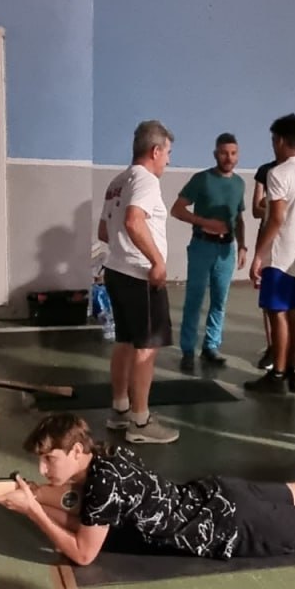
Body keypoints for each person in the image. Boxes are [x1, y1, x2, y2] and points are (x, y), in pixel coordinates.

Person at [0, 412, 295, 568]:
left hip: (231, 525)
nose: (43, 468)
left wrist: (32, 509)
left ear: (76, 451)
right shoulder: (107, 457)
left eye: (49, 459)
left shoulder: (100, 489)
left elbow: (82, 552)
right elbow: (80, 508)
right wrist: (36, 493)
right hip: (219, 494)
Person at [98, 120, 179, 445]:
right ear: (155, 150)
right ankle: (141, 422)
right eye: (168, 153)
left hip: (116, 272)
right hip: (140, 276)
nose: (168, 160)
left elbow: (104, 232)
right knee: (146, 349)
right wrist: (157, 261)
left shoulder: (118, 181)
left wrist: (124, 249)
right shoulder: (146, 180)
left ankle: (120, 410)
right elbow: (134, 221)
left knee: (125, 342)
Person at [246, 114, 295, 394]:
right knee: (293, 312)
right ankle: (289, 368)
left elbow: (276, 218)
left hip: (278, 255)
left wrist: (258, 255)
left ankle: (277, 374)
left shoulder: (278, 174)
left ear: (279, 140)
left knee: (277, 314)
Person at [171, 133, 247, 371]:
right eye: (224, 153)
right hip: (201, 246)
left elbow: (239, 218)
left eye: (233, 153)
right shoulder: (201, 179)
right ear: (216, 154)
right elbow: (177, 209)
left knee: (219, 300)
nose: (229, 158)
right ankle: (187, 350)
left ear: (238, 155)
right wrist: (204, 222)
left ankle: (210, 347)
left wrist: (242, 246)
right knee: (194, 300)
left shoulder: (239, 183)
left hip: (227, 249)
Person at [251, 155, 279, 371]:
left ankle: (286, 350)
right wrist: (273, 210)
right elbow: (256, 208)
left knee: (285, 300)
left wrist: (269, 206)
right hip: (266, 239)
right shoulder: (265, 170)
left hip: (288, 242)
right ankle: (272, 347)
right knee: (266, 297)